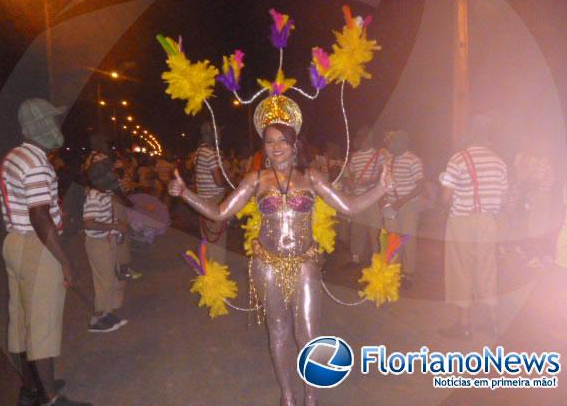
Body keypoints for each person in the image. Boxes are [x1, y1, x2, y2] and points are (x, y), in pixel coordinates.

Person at [169, 95, 393, 406]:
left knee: (308, 334)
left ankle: (311, 394)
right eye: (269, 140)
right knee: (278, 331)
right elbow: (220, 212)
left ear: (294, 143)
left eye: (282, 140)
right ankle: (287, 395)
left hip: (305, 264)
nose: (276, 146)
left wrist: (381, 188)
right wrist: (185, 194)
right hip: (267, 264)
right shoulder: (255, 179)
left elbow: (350, 206)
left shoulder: (312, 177)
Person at [0, 98, 90, 406]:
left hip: (14, 242)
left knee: (22, 320)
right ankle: (50, 397)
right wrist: (65, 262)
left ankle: (32, 387)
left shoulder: (14, 156)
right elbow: (40, 215)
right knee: (42, 324)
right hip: (36, 246)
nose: (56, 126)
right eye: (51, 120)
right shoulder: (37, 162)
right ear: (38, 125)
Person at [438, 116, 508, 340]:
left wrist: (442, 194)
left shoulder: (458, 159)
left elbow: (446, 196)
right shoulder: (499, 162)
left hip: (462, 221)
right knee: (487, 270)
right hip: (488, 221)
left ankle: (464, 326)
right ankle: (493, 322)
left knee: (461, 271)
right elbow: (504, 196)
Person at [83, 159, 129, 332]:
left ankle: (106, 314)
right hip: (98, 242)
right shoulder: (95, 196)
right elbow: (89, 223)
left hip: (105, 239)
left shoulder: (104, 194)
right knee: (104, 282)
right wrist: (115, 226)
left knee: (109, 279)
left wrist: (116, 225)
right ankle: (96, 322)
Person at [381, 130, 424, 288]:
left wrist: (402, 201)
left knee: (407, 240)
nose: (388, 144)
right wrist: (384, 200)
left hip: (408, 205)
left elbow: (421, 186)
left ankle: (408, 274)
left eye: (392, 141)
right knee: (392, 239)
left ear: (401, 143)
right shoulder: (389, 160)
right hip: (392, 204)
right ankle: (394, 271)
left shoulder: (414, 160)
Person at [347, 125, 384, 263]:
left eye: (362, 137)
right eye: (358, 137)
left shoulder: (379, 155)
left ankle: (376, 261)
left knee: (374, 230)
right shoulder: (355, 156)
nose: (358, 139)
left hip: (372, 198)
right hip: (357, 198)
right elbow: (350, 173)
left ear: (369, 138)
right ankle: (355, 258)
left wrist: (370, 181)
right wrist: (350, 182)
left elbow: (383, 174)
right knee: (357, 229)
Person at [194, 122, 228, 264]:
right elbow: (219, 181)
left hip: (202, 199)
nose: (219, 136)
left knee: (207, 237)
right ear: (210, 134)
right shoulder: (211, 153)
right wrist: (228, 183)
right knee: (217, 239)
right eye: (217, 133)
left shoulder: (198, 152)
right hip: (215, 200)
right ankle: (217, 273)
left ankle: (208, 268)